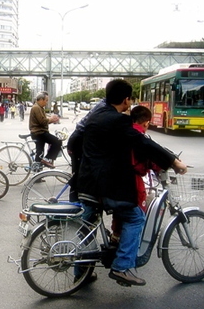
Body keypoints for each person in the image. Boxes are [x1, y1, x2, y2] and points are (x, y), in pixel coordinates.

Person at [76, 79, 187, 287]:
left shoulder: (95, 116)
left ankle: (80, 272)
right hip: (105, 185)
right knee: (136, 218)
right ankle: (122, 266)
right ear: (126, 100)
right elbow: (142, 142)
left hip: (87, 182)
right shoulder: (118, 121)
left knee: (87, 227)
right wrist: (173, 161)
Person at [110, 105, 160, 244]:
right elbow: (150, 158)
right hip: (131, 182)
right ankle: (123, 261)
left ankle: (116, 236)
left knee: (120, 213)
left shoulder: (122, 131)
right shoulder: (139, 136)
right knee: (137, 218)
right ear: (146, 122)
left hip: (112, 181)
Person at [29, 91, 61, 169]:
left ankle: (37, 174)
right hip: (39, 133)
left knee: (40, 153)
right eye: (46, 100)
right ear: (41, 100)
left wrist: (51, 119)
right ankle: (46, 159)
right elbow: (42, 121)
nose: (46, 102)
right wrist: (51, 119)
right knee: (57, 141)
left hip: (39, 133)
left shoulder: (39, 108)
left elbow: (44, 120)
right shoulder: (36, 108)